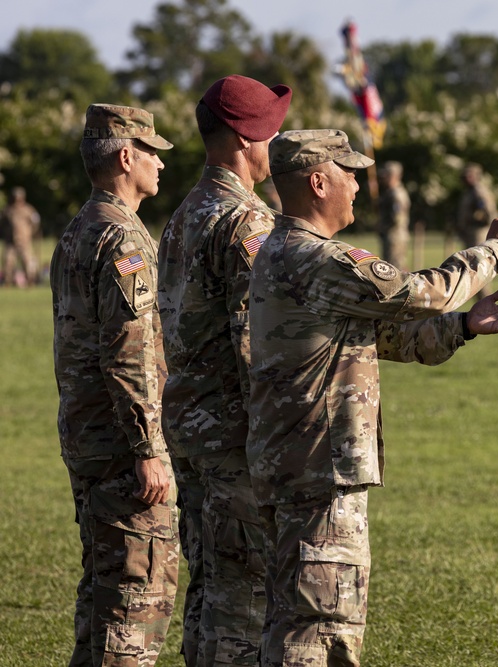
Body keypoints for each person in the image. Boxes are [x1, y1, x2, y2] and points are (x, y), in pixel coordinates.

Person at [247, 129, 498, 667]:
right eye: (349, 173)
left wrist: (466, 328)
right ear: (318, 182)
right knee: (320, 633)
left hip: (299, 466)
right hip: (318, 472)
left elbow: (382, 338)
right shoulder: (316, 258)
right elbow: (423, 293)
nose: (359, 185)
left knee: (297, 620)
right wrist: (496, 248)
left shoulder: (284, 251)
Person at [157, 74, 292, 666]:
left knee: (210, 591)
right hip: (237, 439)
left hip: (190, 430)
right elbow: (256, 344)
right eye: (271, 132)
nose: (278, 143)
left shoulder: (183, 216)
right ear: (245, 137)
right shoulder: (247, 224)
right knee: (247, 603)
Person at [50, 103, 179, 666]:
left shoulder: (80, 228)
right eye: (152, 152)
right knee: (134, 604)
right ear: (126, 157)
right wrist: (148, 447)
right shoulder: (123, 239)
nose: (161, 164)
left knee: (102, 599)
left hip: (90, 437)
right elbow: (128, 355)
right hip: (122, 449)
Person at [456, 161, 498, 298]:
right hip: (471, 233)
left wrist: (473, 219)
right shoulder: (470, 192)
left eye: (470, 175)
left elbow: (488, 213)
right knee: (473, 270)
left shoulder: (479, 191)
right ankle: (480, 302)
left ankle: (485, 302)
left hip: (478, 234)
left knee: (479, 269)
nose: (466, 178)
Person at [1, 186, 41, 286]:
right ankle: (7, 282)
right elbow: (2, 222)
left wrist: (31, 233)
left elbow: (36, 222)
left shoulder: (28, 209)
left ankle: (31, 281)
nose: (17, 200)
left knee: (27, 261)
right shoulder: (8, 210)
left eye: (19, 197)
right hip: (11, 241)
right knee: (8, 262)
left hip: (24, 241)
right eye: (15, 197)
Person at [377, 160, 411, 269]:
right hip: (391, 236)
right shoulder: (389, 192)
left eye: (386, 175)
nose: (383, 178)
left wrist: (383, 226)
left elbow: (397, 219)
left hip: (395, 237)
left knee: (395, 268)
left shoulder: (397, 194)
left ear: (394, 176)